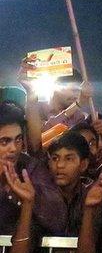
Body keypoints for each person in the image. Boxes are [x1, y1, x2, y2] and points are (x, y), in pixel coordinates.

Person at [0, 101, 67, 235]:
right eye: (4, 141)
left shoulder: (30, 168)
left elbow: (57, 220)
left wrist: (21, 199)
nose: (13, 149)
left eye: (18, 140)